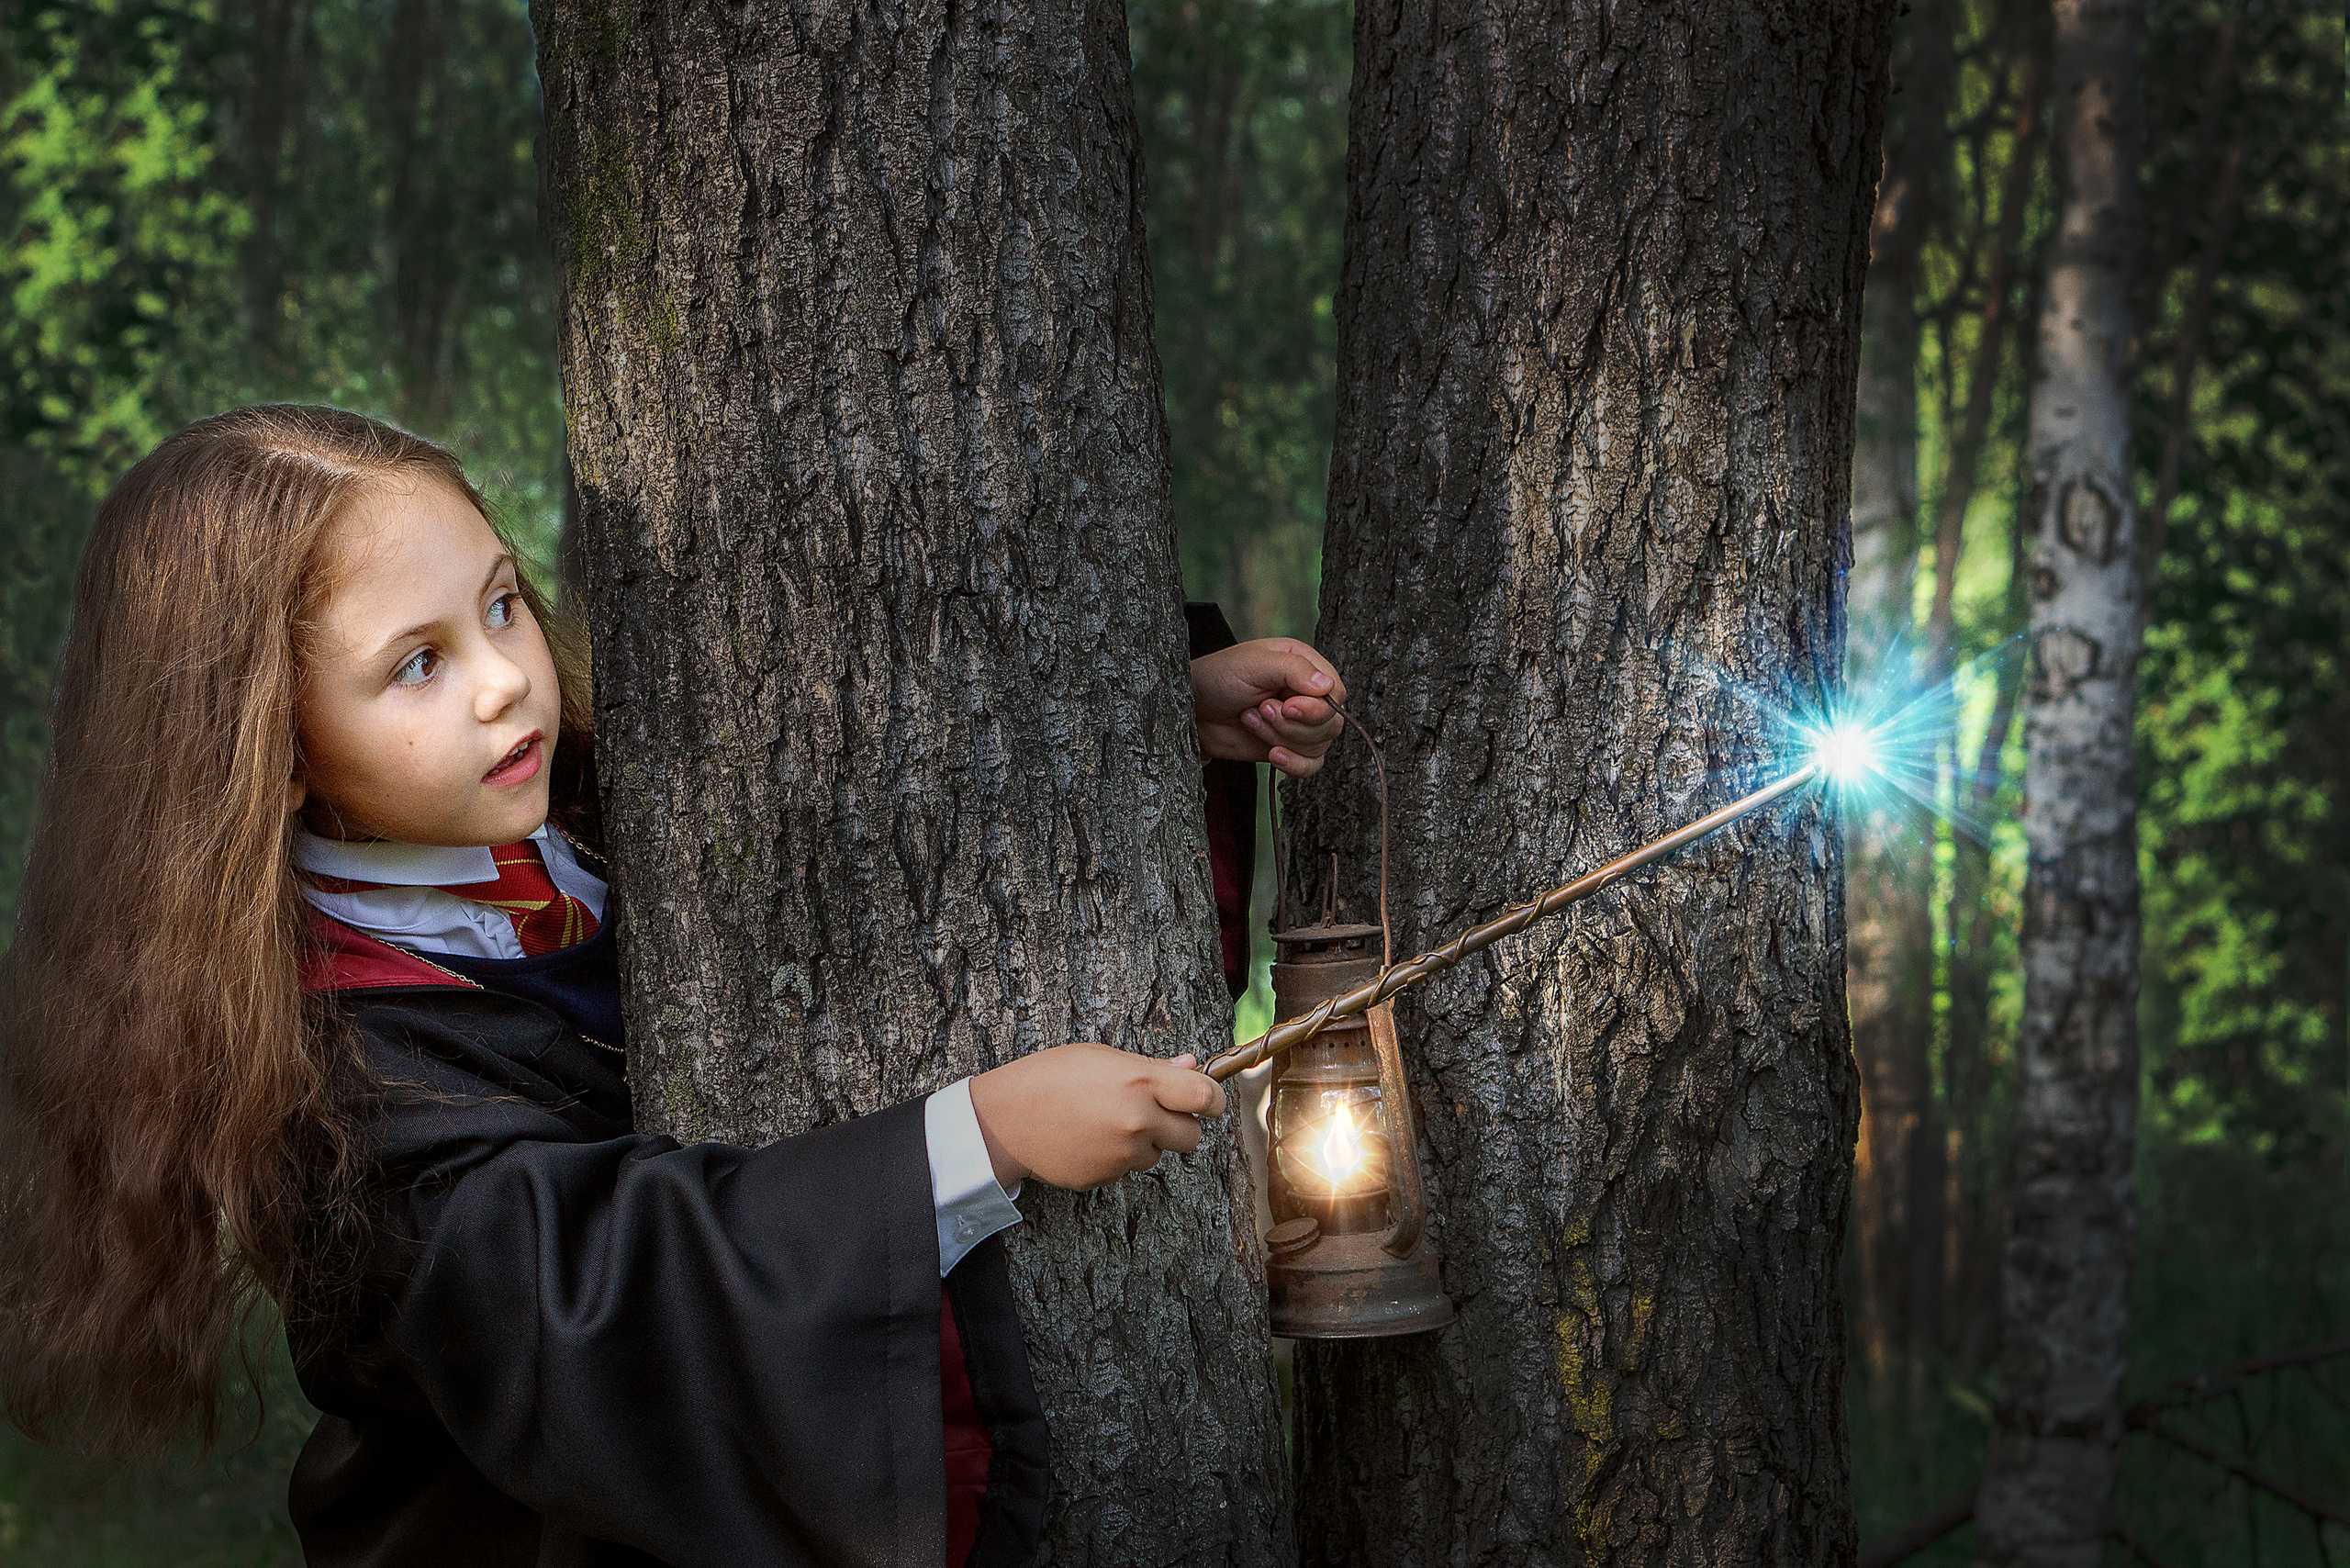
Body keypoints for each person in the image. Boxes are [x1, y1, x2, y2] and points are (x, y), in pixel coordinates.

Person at [0, 405, 1349, 1568]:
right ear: (272, 749)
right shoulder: (319, 1084)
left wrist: (1142, 729)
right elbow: (594, 1294)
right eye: (417, 664)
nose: (504, 682)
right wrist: (971, 1141)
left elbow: (860, 843)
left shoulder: (579, 807)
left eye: (499, 603)